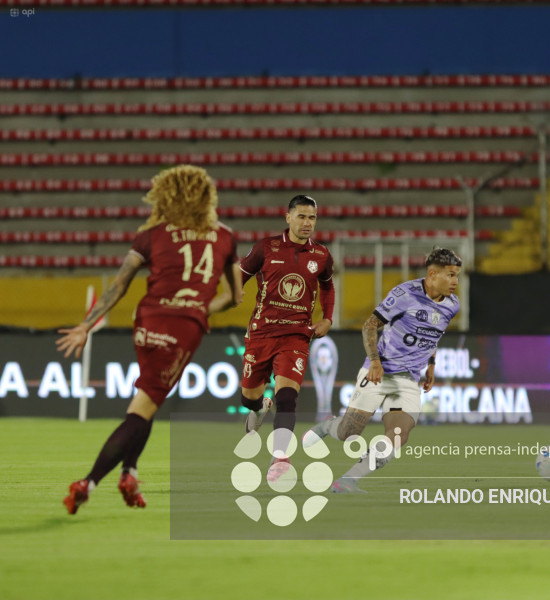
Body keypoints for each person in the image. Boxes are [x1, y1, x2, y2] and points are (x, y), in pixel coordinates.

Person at [57, 165, 243, 514]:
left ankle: (130, 472)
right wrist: (204, 307)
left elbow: (119, 284)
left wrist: (86, 324)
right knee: (143, 407)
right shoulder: (225, 236)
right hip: (183, 328)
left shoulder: (152, 234)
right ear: (207, 197)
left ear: (164, 196)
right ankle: (89, 482)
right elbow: (235, 296)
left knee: (148, 398)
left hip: (145, 322)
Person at [303, 247, 462, 493]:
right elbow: (370, 325)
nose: (455, 282)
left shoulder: (452, 305)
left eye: (457, 276)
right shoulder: (404, 294)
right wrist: (375, 361)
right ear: (432, 275)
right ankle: (327, 426)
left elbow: (433, 335)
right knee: (349, 432)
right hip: (379, 372)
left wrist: (431, 364)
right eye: (451, 275)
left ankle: (348, 480)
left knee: (399, 434)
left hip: (408, 379)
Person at [239, 194, 335, 482]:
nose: (307, 223)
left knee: (288, 397)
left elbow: (328, 287)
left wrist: (327, 318)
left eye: (312, 218)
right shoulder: (265, 248)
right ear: (288, 217)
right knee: (249, 398)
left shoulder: (321, 255)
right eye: (302, 216)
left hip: (296, 335)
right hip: (261, 333)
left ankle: (280, 457)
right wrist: (234, 290)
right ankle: (260, 408)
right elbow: (240, 273)